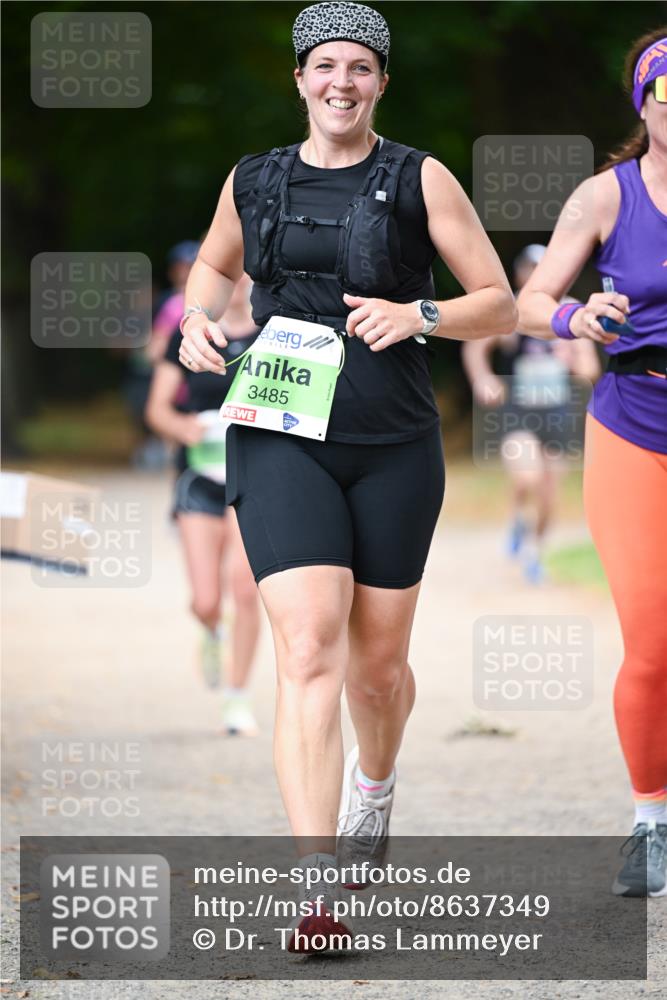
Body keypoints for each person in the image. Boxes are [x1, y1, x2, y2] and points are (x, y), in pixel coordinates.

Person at [179, 1, 516, 950]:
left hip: (391, 441)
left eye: (360, 68)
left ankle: (375, 782)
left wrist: (421, 316)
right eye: (325, 65)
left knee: (376, 670)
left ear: (380, 82)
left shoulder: (419, 177)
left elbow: (498, 302)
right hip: (280, 431)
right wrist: (198, 319)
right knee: (308, 648)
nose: (341, 82)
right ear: (299, 78)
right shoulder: (253, 179)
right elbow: (213, 269)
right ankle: (315, 891)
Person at [516, 28, 667, 897]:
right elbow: (528, 301)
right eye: (666, 91)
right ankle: (650, 822)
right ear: (643, 103)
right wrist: (575, 317)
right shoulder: (603, 197)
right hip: (634, 424)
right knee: (651, 641)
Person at [146, 274, 261, 736]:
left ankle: (237, 697)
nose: (238, 281)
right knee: (206, 600)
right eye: (229, 272)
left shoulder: (273, 332)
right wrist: (182, 428)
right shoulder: (192, 336)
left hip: (252, 477)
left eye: (245, 272)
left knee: (245, 590)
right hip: (199, 477)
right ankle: (212, 631)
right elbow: (157, 409)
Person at [462, 245, 600, 583]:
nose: (534, 274)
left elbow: (590, 369)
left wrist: (574, 360)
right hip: (519, 412)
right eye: (529, 268)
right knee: (528, 477)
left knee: (549, 493)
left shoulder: (571, 311)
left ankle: (535, 553)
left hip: (557, 413)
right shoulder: (511, 310)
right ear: (520, 274)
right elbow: (475, 347)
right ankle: (517, 517)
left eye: (541, 267)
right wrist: (483, 379)